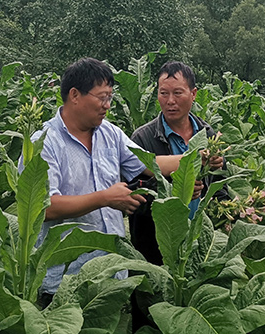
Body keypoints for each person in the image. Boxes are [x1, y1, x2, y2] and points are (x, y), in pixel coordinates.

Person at [26, 57, 184, 303]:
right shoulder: (45, 142)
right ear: (75, 95)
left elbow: (150, 164)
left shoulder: (110, 133)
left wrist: (197, 158)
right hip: (65, 285)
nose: (107, 106)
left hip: (112, 279)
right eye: (102, 98)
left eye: (110, 97)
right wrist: (105, 198)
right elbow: (43, 207)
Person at [129, 61, 223, 265]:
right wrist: (176, 189)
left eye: (178, 93)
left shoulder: (207, 135)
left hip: (200, 247)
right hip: (157, 250)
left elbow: (220, 187)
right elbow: (132, 196)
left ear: (193, 94)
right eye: (164, 93)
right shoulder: (143, 139)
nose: (170, 101)